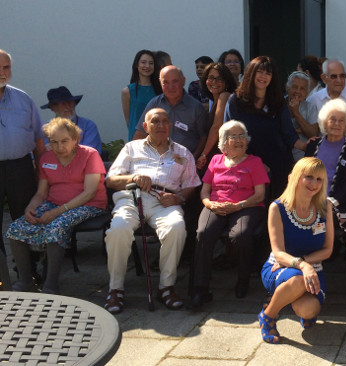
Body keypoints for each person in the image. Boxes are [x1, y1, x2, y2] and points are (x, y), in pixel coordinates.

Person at [104, 108, 202, 314]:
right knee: (118, 230)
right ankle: (115, 289)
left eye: (165, 121)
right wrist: (133, 178)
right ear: (146, 126)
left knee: (176, 227)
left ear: (170, 125)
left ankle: (166, 287)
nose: (160, 125)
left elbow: (192, 184)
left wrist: (179, 197)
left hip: (165, 202)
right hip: (132, 198)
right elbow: (111, 180)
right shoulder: (131, 148)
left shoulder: (183, 153)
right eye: (155, 121)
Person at [6, 118, 106, 294]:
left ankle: (50, 285)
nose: (59, 147)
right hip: (53, 203)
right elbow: (41, 193)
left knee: (56, 227)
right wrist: (30, 208)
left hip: (88, 204)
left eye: (64, 141)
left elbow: (90, 192)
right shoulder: (46, 158)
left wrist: (57, 212)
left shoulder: (90, 155)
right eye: (54, 142)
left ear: (75, 138)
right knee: (15, 229)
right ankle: (25, 280)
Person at [189, 121, 269, 309]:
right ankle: (200, 289)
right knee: (203, 233)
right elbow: (205, 191)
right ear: (224, 142)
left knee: (240, 235)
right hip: (216, 205)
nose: (240, 140)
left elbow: (260, 195)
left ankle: (243, 280)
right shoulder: (215, 160)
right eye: (234, 136)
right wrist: (209, 204)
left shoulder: (254, 162)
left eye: (243, 136)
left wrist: (238, 206)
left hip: (247, 205)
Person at [258, 157, 334, 344]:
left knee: (308, 310)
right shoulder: (277, 208)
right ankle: (268, 315)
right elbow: (278, 252)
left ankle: (285, 297)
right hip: (280, 267)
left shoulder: (325, 206)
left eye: (319, 179)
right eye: (309, 177)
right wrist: (302, 266)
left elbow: (328, 250)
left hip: (313, 269)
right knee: (298, 280)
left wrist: (305, 264)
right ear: (295, 177)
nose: (314, 184)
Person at [225, 56, 303, 200]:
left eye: (268, 73)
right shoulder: (235, 101)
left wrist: (307, 146)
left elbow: (289, 134)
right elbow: (227, 137)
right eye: (260, 72)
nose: (264, 76)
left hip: (277, 166)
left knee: (274, 211)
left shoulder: (278, 102)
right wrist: (253, 163)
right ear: (251, 73)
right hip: (246, 165)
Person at [0, 49, 46, 269]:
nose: (2, 72)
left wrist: (42, 173)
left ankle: (28, 271)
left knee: (25, 218)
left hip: (20, 167)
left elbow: (38, 138)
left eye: (6, 67)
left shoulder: (23, 99)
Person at [305, 99, 346, 257]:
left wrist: (330, 202)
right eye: (332, 119)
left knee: (320, 220)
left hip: (338, 204)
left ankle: (324, 249)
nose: (336, 124)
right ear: (324, 122)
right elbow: (302, 176)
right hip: (311, 199)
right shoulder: (312, 146)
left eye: (341, 120)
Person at [133, 65, 209, 159]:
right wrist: (132, 157)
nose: (170, 87)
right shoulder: (154, 104)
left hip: (184, 161)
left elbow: (203, 138)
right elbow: (140, 133)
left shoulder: (196, 107)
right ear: (160, 83)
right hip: (156, 160)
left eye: (175, 81)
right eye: (165, 82)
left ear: (183, 81)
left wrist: (193, 159)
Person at [307, 58, 346, 144]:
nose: (339, 80)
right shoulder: (314, 100)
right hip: (324, 148)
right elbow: (312, 132)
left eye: (342, 76)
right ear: (324, 78)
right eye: (334, 76)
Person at [196, 62, 238, 169]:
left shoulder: (224, 96)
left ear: (227, 83)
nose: (214, 82)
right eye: (211, 77)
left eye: (219, 79)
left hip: (219, 156)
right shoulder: (213, 101)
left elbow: (216, 128)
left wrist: (203, 154)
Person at [41, 86, 102, 153]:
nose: (68, 107)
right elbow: (39, 154)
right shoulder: (45, 129)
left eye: (70, 102)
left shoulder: (88, 126)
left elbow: (90, 153)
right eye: (63, 104)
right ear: (52, 107)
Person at [121, 50, 161, 141]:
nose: (147, 66)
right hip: (136, 140)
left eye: (151, 63)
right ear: (136, 65)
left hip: (157, 139)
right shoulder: (127, 91)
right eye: (143, 62)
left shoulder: (160, 90)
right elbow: (129, 121)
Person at [286, 71, 320, 162]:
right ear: (287, 88)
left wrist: (296, 113)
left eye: (302, 89)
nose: (298, 91)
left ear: (307, 93)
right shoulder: (279, 104)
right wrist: (298, 130)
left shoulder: (310, 107)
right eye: (295, 87)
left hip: (302, 159)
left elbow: (313, 134)